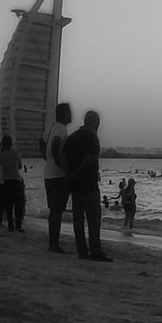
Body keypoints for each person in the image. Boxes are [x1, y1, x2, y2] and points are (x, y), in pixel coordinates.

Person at [63, 109, 109, 261]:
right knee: (94, 219)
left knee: (78, 220)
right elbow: (89, 159)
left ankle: (82, 251)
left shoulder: (72, 137)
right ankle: (95, 251)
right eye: (98, 123)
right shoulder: (92, 138)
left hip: (75, 185)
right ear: (95, 123)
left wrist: (69, 174)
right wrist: (77, 173)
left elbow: (64, 156)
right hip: (88, 183)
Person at [42, 102, 72, 253]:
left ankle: (53, 242)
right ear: (64, 114)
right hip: (57, 175)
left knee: (54, 210)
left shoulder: (52, 127)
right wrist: (61, 164)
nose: (71, 114)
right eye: (69, 112)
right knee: (57, 211)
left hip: (48, 174)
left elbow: (42, 141)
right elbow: (54, 144)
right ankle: (54, 244)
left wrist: (46, 158)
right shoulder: (61, 128)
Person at [0, 135, 25, 233]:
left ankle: (11, 226)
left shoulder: (1, 155)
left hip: (7, 182)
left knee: (9, 205)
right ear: (11, 143)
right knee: (18, 205)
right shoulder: (16, 154)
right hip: (17, 181)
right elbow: (20, 167)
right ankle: (19, 225)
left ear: (3, 144)